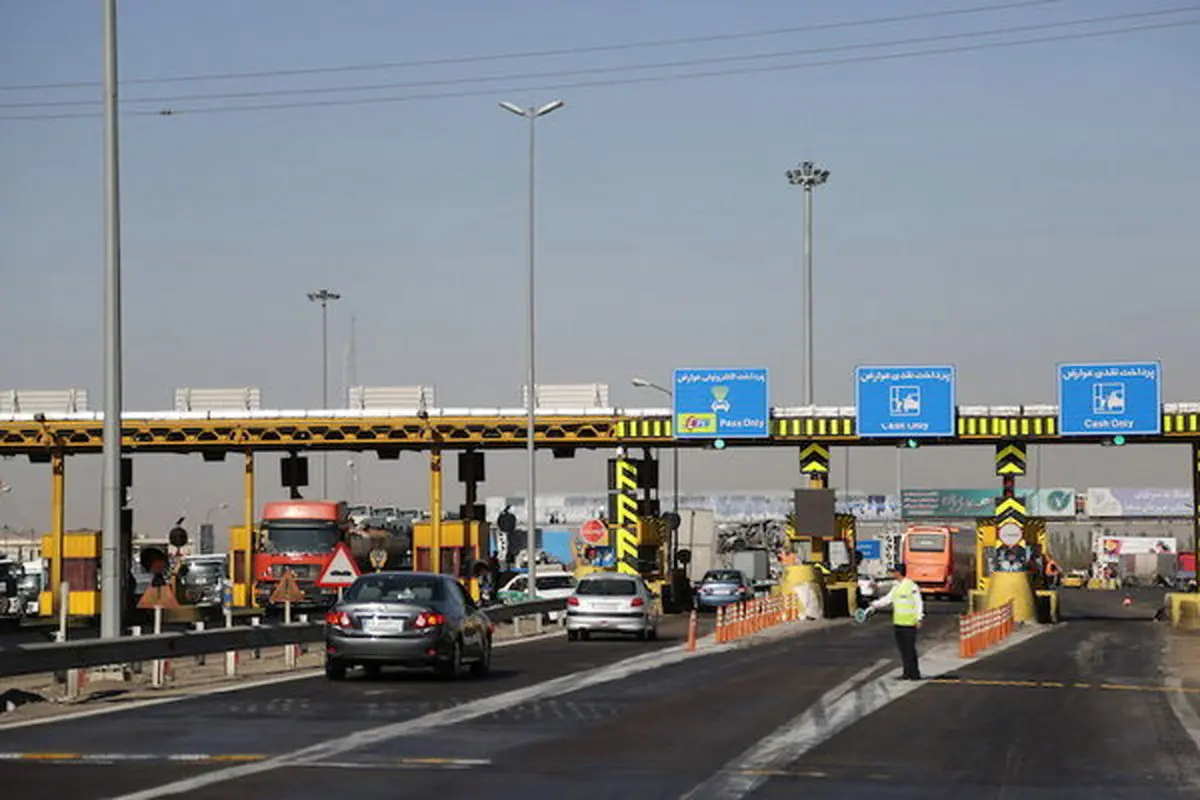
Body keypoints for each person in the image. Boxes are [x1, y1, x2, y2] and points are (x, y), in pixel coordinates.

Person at [870, 563, 924, 680]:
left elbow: (918, 603)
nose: (893, 574)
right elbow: (888, 599)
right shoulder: (896, 586)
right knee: (903, 650)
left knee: (909, 649)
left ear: (899, 573)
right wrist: (874, 605)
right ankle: (906, 673)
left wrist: (919, 618)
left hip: (909, 623)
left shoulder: (911, 586)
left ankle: (914, 674)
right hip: (898, 623)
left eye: (894, 572)